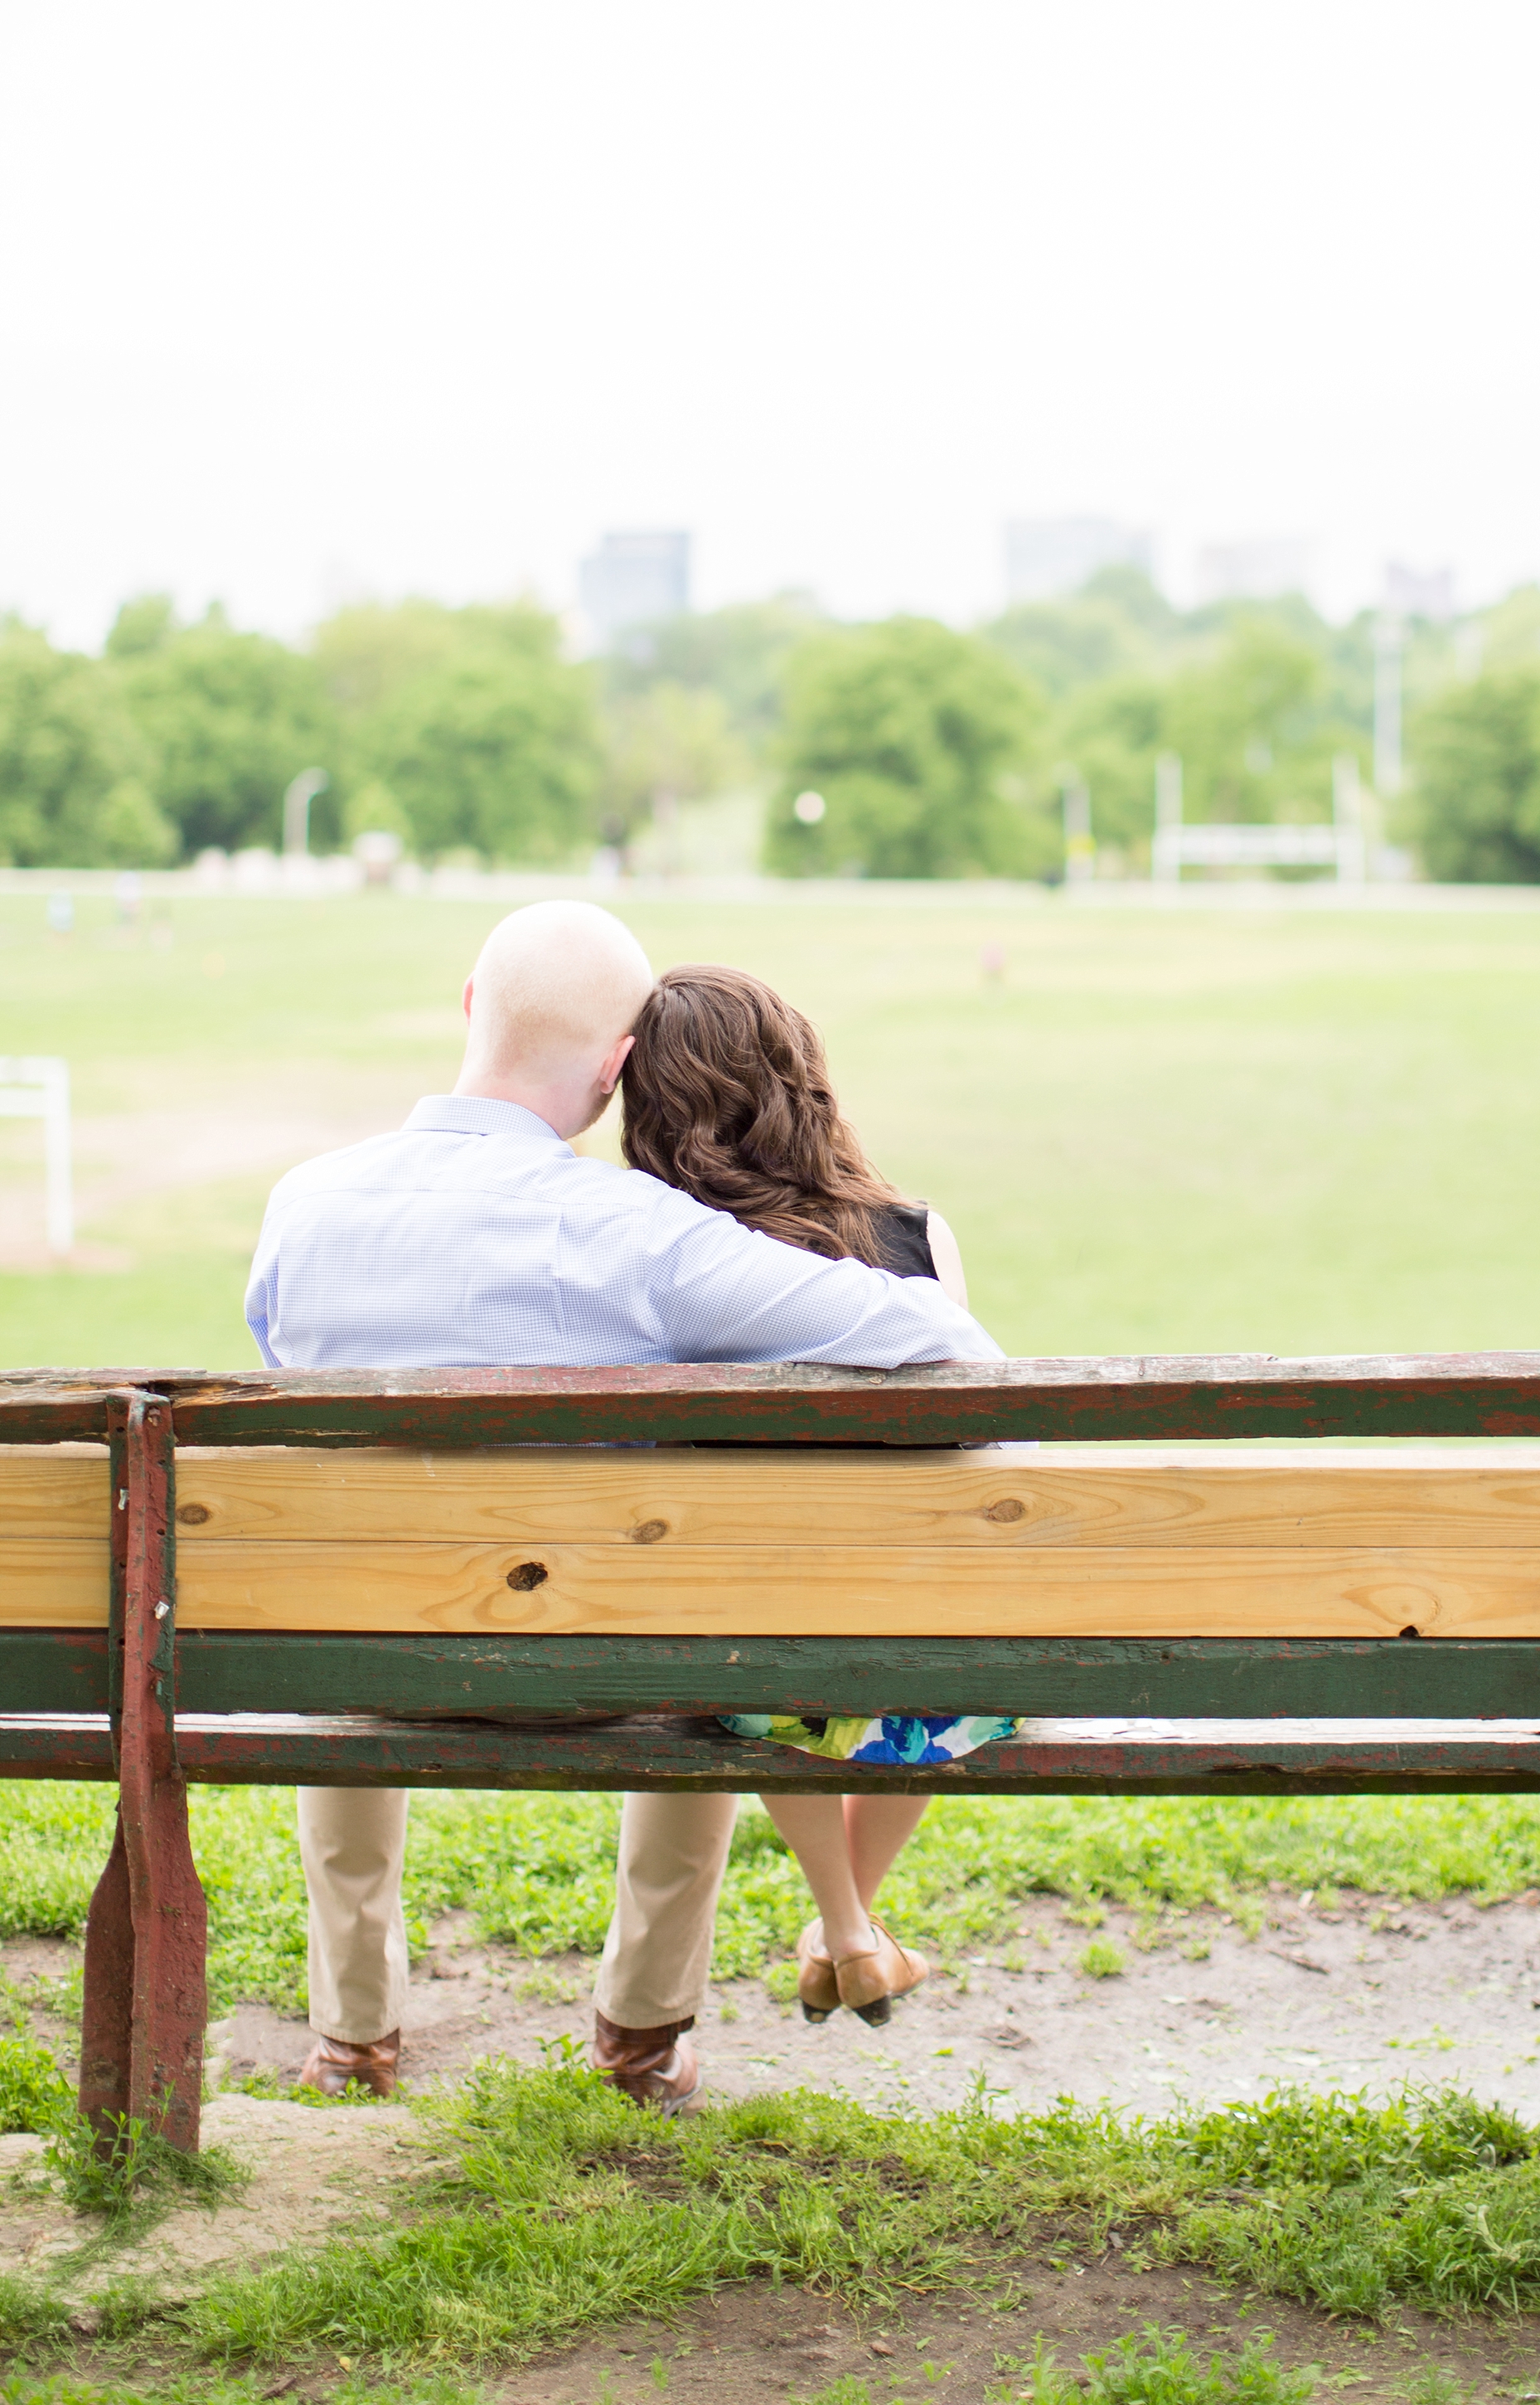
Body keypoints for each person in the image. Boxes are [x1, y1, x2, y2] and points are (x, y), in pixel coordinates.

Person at [242, 900, 1001, 2108]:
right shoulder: (643, 1236)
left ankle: (355, 2037)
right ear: (613, 1073)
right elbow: (938, 1341)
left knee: (362, 1571)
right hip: (591, 1665)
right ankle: (641, 2034)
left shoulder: (304, 1208)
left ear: (471, 1006)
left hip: (359, 1655)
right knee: (690, 1611)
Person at [617, 963, 1019, 2031]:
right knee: (933, 1639)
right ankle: (852, 1926)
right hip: (925, 1631)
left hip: (744, 1638)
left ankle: (844, 1924)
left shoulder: (664, 1252)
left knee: (751, 1628)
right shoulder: (916, 1234)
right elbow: (967, 1438)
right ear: (801, 1079)